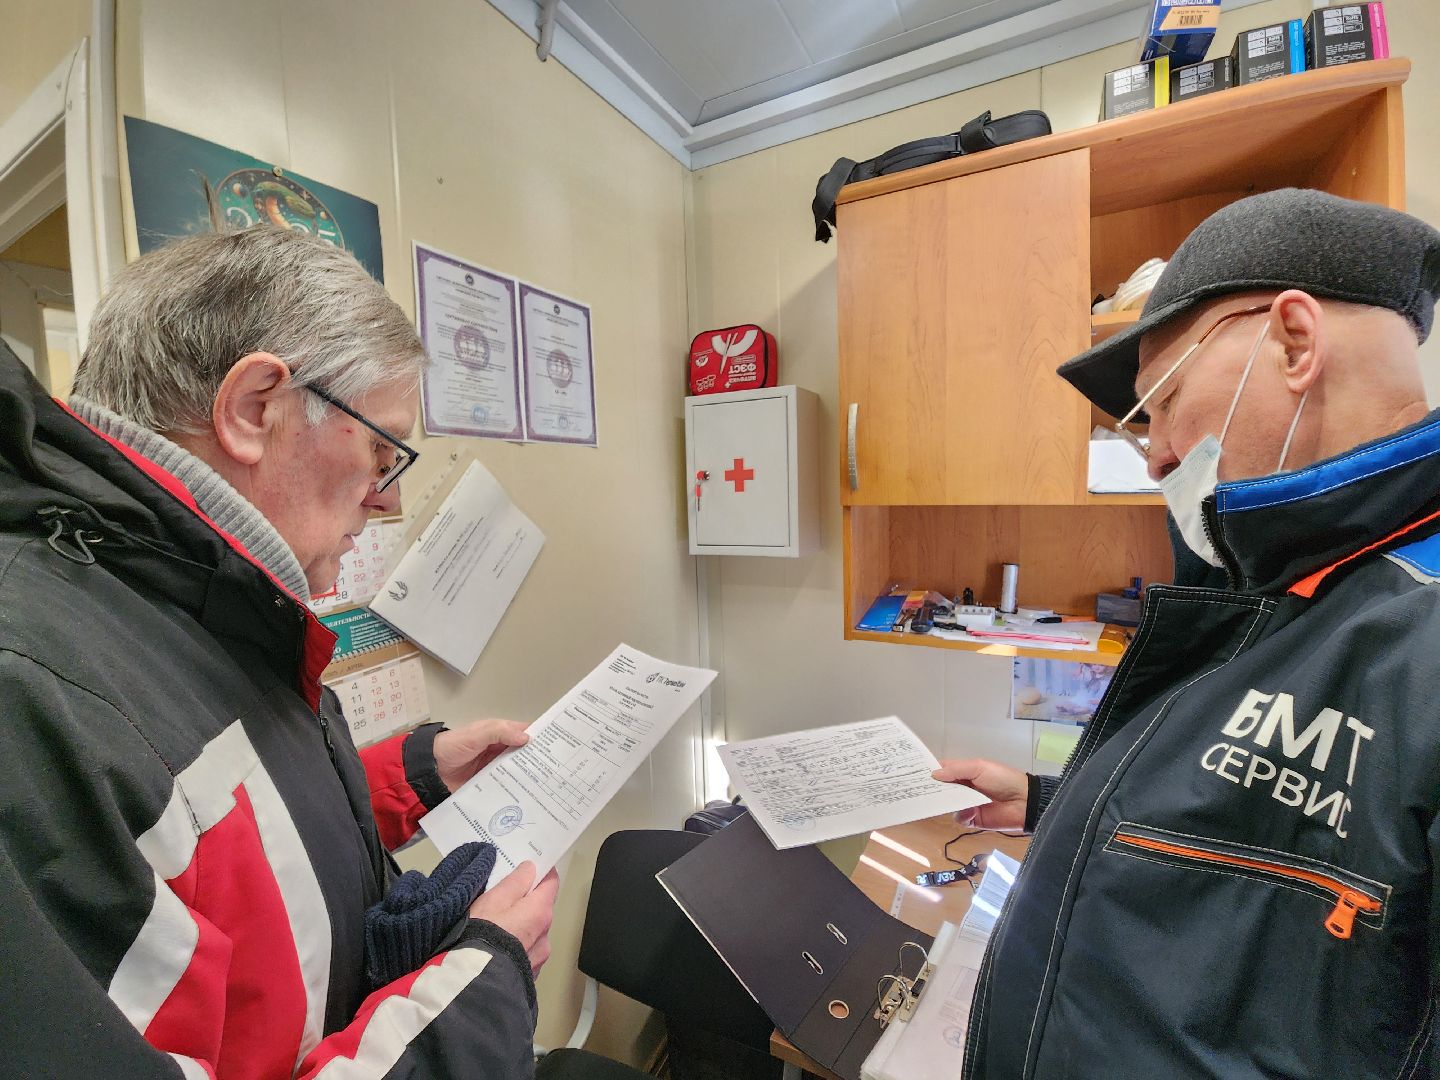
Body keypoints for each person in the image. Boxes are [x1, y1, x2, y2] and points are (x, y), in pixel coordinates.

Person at [0, 225, 559, 1077]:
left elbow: (210, 824)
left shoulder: (204, 593)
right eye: (382, 449)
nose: (388, 499)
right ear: (254, 408)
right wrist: (476, 996)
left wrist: (408, 776)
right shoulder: (31, 696)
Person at [934, 189, 1440, 1078]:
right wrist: (1055, 803)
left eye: (1163, 402)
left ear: (1295, 342)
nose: (1159, 455)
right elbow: (1252, 847)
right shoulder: (1269, 586)